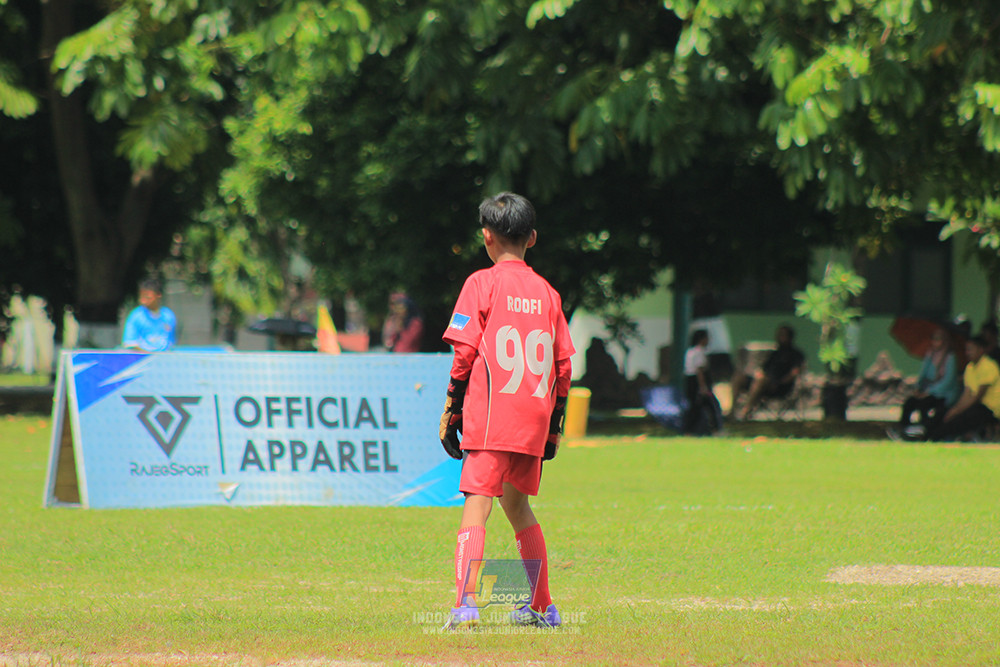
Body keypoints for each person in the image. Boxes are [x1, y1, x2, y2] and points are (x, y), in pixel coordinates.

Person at [438, 192, 575, 630]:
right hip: (533, 420)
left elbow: (464, 353)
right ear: (531, 238)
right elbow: (564, 366)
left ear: (486, 236)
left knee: (477, 506)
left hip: (493, 415)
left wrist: (451, 411)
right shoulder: (549, 294)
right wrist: (553, 431)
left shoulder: (481, 283)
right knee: (518, 508)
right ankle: (541, 606)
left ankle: (466, 604)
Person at [887, 327, 960, 441]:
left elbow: (948, 381)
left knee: (924, 405)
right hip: (927, 390)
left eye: (938, 339)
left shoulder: (950, 357)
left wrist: (929, 392)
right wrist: (918, 388)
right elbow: (923, 374)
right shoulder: (930, 354)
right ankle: (904, 428)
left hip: (943, 394)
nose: (935, 342)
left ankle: (924, 431)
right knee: (910, 403)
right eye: (934, 339)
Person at [926, 335, 1000, 442]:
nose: (967, 353)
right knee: (942, 414)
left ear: (981, 350)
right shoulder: (970, 367)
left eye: (971, 349)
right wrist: (955, 409)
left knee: (959, 420)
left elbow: (978, 396)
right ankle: (926, 438)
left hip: (990, 409)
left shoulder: (989, 366)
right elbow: (967, 394)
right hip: (977, 405)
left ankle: (937, 439)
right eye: (966, 349)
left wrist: (957, 411)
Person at [733, 324, 805, 420]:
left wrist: (778, 382)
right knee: (739, 378)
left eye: (783, 335)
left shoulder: (796, 354)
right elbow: (764, 368)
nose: (780, 337)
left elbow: (794, 373)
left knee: (761, 380)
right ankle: (732, 410)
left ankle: (746, 410)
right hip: (763, 383)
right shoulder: (774, 353)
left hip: (780, 387)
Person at [683, 329, 722, 434]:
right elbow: (699, 371)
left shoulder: (690, 351)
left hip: (689, 381)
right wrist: (703, 386)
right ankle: (716, 429)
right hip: (698, 383)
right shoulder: (699, 352)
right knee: (711, 405)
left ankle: (690, 430)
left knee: (695, 407)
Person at [121, 278, 176, 352]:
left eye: (147, 297)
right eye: (141, 297)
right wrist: (149, 355)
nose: (143, 300)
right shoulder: (136, 316)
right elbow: (130, 344)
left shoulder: (168, 316)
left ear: (158, 295)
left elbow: (170, 344)